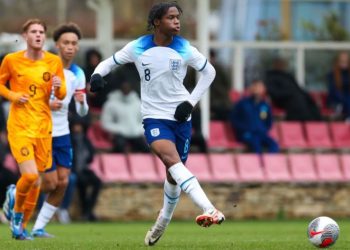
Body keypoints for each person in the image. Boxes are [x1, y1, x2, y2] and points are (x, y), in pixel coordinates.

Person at [89, 2, 225, 246]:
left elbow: (210, 73)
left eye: (178, 17)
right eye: (171, 17)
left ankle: (163, 220)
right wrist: (97, 75)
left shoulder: (185, 48)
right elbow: (108, 62)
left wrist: (191, 102)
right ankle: (210, 208)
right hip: (154, 117)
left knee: (173, 175)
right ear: (157, 22)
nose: (177, 22)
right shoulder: (138, 46)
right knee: (172, 161)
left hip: (181, 117)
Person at [0, 18, 66, 240]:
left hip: (43, 128)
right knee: (29, 176)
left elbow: (63, 93)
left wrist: (58, 88)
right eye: (33, 32)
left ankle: (20, 227)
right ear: (25, 36)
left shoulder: (54, 61)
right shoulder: (11, 60)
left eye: (41, 32)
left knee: (37, 182)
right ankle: (16, 216)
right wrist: (13, 95)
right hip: (19, 126)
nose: (38, 35)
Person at [230, 79, 279, 154]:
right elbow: (234, 119)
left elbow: (269, 121)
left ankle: (270, 164)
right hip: (247, 134)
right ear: (250, 88)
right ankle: (258, 165)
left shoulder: (265, 105)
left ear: (264, 89)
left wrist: (263, 129)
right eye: (255, 86)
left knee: (274, 145)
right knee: (256, 145)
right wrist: (244, 130)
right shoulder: (242, 103)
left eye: (259, 87)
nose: (257, 89)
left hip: (261, 133)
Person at [101, 80, 149, 153]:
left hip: (135, 133)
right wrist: (119, 129)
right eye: (124, 88)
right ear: (120, 89)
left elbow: (143, 122)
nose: (126, 89)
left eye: (127, 88)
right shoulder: (111, 104)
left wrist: (138, 130)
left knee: (145, 149)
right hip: (119, 134)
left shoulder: (138, 103)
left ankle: (140, 164)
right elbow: (106, 123)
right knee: (119, 147)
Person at [327, 51, 350, 120]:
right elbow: (333, 91)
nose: (344, 63)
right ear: (337, 61)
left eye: (346, 61)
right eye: (342, 61)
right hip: (337, 101)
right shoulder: (332, 75)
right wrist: (344, 100)